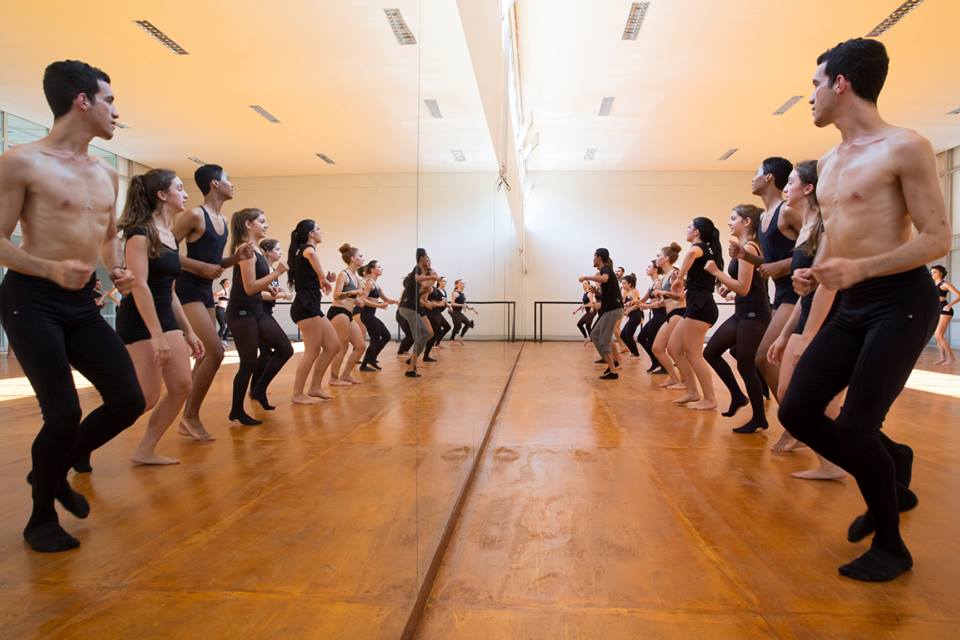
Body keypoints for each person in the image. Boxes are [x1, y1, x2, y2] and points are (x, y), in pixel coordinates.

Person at [778, 38, 950, 581]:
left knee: (856, 427)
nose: (810, 96)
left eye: (815, 84)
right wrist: (813, 272)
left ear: (841, 83)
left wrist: (861, 268)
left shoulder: (905, 146)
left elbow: (937, 238)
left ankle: (892, 548)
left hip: (901, 302)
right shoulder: (829, 162)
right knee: (797, 411)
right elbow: (835, 236)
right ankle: (893, 465)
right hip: (853, 303)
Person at [0, 59, 145, 552]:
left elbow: (106, 237)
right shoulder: (23, 161)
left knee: (128, 400)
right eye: (109, 100)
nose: (116, 112)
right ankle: (40, 519)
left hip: (81, 303)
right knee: (61, 412)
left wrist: (116, 268)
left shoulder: (106, 173)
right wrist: (47, 269)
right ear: (82, 101)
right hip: (31, 299)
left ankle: (52, 468)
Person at [116, 170, 205, 465]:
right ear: (162, 195)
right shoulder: (140, 233)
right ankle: (82, 440)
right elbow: (139, 285)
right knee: (146, 398)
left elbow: (171, 291)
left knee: (182, 386)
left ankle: (145, 450)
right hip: (140, 320)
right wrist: (156, 335)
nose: (186, 193)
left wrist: (188, 331)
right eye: (180, 188)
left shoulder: (169, 236)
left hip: (166, 316)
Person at [766, 161, 845, 480]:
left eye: (791, 182)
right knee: (788, 395)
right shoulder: (808, 227)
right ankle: (832, 457)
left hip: (828, 318)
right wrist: (785, 335)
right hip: (806, 315)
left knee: (815, 397)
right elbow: (804, 292)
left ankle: (837, 460)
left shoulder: (827, 226)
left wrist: (809, 335)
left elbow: (829, 284)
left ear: (809, 188)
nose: (785, 187)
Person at [173, 164, 252, 441]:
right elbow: (162, 249)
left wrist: (236, 258)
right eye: (228, 180)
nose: (233, 184)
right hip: (188, 289)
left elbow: (215, 264)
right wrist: (199, 267)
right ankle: (190, 416)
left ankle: (187, 416)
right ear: (215, 184)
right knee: (216, 351)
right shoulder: (195, 214)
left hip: (205, 290)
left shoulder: (222, 219)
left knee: (207, 353)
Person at [731, 157, 801, 408]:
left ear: (769, 177)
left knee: (763, 357)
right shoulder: (763, 219)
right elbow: (769, 262)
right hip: (781, 294)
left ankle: (795, 417)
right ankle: (794, 416)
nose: (753, 178)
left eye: (756, 173)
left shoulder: (787, 211)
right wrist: (746, 255)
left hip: (797, 293)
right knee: (771, 357)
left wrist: (780, 266)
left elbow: (815, 249)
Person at [703, 205, 771, 432]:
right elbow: (746, 286)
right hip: (743, 313)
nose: (729, 222)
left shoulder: (749, 247)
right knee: (711, 352)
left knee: (745, 364)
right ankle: (738, 396)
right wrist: (728, 288)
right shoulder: (746, 247)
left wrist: (716, 272)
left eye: (734, 218)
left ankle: (759, 418)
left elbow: (743, 287)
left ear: (747, 222)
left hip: (754, 315)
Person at [225, 209, 293, 425]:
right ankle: (237, 410)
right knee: (248, 362)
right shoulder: (245, 249)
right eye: (262, 221)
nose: (266, 225)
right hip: (241, 312)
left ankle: (259, 390)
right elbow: (249, 287)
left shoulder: (256, 251)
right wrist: (277, 273)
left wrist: (271, 288)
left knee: (285, 348)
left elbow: (257, 284)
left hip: (256, 311)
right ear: (248, 225)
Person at [669, 219, 723, 410]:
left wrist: (680, 278)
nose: (687, 229)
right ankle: (692, 391)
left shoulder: (700, 248)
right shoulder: (705, 250)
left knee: (693, 354)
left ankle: (710, 399)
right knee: (674, 348)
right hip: (696, 305)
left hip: (702, 307)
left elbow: (692, 252)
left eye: (689, 226)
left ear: (697, 232)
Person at [287, 221, 339, 403]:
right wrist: (323, 278)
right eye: (318, 229)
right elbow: (310, 253)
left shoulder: (302, 251)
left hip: (311, 305)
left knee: (333, 346)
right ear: (310, 234)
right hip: (305, 306)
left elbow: (307, 279)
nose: (320, 232)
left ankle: (315, 387)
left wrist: (324, 279)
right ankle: (297, 394)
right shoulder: (307, 249)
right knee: (312, 350)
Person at [251, 239, 294, 390]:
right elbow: (258, 293)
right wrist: (283, 295)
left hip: (266, 312)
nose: (280, 252)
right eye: (277, 249)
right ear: (268, 252)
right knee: (279, 350)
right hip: (259, 312)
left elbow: (269, 290)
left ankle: (256, 388)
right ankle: (257, 388)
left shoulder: (272, 270)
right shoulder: (264, 270)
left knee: (266, 353)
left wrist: (279, 291)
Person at [579, 248, 623, 379]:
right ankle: (612, 362)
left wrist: (586, 277)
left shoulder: (606, 268)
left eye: (594, 257)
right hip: (610, 309)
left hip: (613, 310)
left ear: (599, 258)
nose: (593, 259)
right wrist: (596, 292)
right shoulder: (605, 270)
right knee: (594, 334)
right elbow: (606, 295)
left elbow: (604, 278)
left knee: (604, 340)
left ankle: (613, 370)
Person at [327, 243, 367, 385]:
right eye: (360, 256)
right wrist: (352, 293)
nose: (363, 258)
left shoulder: (356, 277)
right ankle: (333, 378)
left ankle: (345, 375)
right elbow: (336, 295)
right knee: (342, 347)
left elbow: (350, 297)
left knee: (360, 346)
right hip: (338, 312)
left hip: (348, 313)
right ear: (352, 259)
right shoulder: (343, 274)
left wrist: (357, 301)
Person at [398, 249, 438, 377]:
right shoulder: (416, 270)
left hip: (411, 309)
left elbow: (418, 292)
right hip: (407, 308)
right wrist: (431, 277)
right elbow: (415, 278)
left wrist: (427, 290)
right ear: (421, 258)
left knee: (426, 335)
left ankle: (412, 363)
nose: (428, 261)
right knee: (422, 336)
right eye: (427, 258)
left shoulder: (420, 274)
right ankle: (411, 367)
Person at [651, 243, 686, 387]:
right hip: (670, 314)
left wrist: (662, 292)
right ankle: (674, 378)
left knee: (675, 350)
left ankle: (685, 382)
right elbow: (669, 300)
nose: (656, 258)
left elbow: (681, 297)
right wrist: (655, 304)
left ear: (666, 258)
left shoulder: (675, 274)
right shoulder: (665, 276)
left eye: (659, 255)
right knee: (657, 348)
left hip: (679, 313)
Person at [359, 261, 397, 371]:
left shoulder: (376, 284)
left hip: (370, 315)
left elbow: (386, 299)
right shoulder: (369, 283)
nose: (381, 268)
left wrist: (396, 301)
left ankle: (372, 359)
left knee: (386, 336)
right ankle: (364, 365)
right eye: (379, 267)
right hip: (366, 315)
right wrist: (378, 305)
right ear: (372, 269)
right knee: (375, 339)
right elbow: (362, 299)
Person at [636, 260, 665, 372]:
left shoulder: (658, 283)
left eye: (649, 267)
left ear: (655, 269)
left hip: (661, 315)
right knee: (641, 338)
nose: (646, 269)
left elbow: (664, 302)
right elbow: (642, 300)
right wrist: (630, 303)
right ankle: (656, 363)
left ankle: (663, 366)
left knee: (650, 341)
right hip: (656, 316)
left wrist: (648, 306)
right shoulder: (652, 285)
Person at [930, 265, 957, 365]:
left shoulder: (944, 284)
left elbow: (959, 295)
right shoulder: (934, 285)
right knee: (937, 336)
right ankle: (942, 358)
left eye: (934, 272)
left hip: (945, 309)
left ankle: (952, 358)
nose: (932, 274)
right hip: (937, 310)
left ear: (940, 273)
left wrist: (949, 305)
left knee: (938, 334)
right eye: (931, 272)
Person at [619, 274, 643, 358]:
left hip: (636, 316)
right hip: (632, 316)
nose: (622, 285)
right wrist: (625, 307)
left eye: (624, 283)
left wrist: (628, 310)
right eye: (622, 283)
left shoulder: (634, 291)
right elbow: (629, 304)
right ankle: (633, 352)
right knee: (623, 335)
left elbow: (637, 305)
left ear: (630, 284)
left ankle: (635, 353)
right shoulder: (628, 292)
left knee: (628, 335)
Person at [448, 279, 475, 344]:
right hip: (454, 312)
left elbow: (464, 304)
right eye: (461, 283)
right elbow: (452, 304)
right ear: (457, 285)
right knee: (457, 326)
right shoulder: (455, 293)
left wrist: (469, 308)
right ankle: (452, 340)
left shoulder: (463, 294)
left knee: (468, 323)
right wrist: (462, 305)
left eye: (463, 283)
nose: (463, 284)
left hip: (459, 312)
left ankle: (460, 337)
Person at [573, 281, 597, 345]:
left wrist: (591, 307)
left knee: (587, 325)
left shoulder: (590, 293)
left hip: (592, 311)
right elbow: (583, 304)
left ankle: (592, 341)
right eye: (583, 283)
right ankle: (586, 338)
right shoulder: (584, 294)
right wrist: (576, 310)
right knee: (579, 324)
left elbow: (592, 303)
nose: (584, 284)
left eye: (585, 283)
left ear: (589, 285)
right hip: (588, 312)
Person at [215, 278, 230, 344]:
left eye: (229, 283)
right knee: (223, 326)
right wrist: (218, 295)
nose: (229, 284)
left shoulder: (227, 292)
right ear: (223, 284)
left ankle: (224, 340)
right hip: (219, 310)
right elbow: (215, 294)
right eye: (227, 283)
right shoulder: (223, 290)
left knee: (229, 325)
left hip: (223, 310)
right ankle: (217, 342)